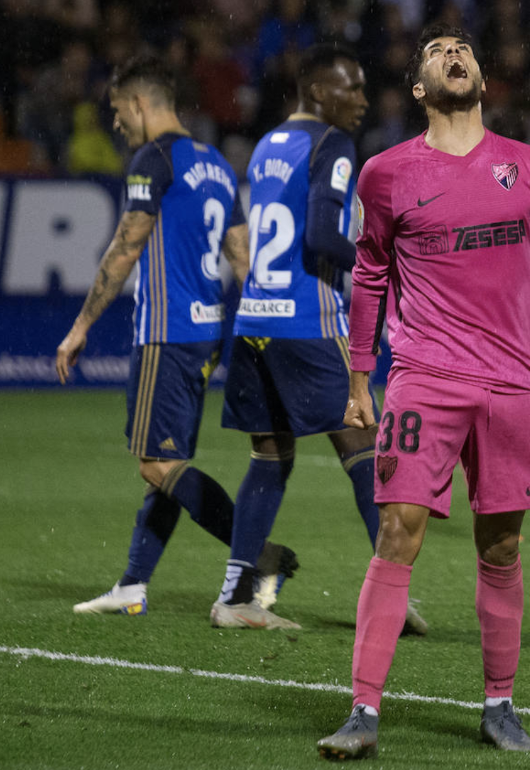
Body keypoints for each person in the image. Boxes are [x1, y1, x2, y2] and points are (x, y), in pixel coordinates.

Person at [316, 24, 530, 759]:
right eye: (436, 52)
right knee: (398, 530)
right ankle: (363, 711)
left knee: (503, 545)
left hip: (512, 385)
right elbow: (369, 278)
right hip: (423, 378)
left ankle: (499, 704)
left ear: (483, 79)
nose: (454, 54)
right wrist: (361, 377)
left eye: (464, 50)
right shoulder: (386, 174)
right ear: (419, 89)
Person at [56, 55, 296, 629]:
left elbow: (125, 246)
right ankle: (133, 584)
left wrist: (81, 325)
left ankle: (260, 558)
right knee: (172, 460)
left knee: (156, 464)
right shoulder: (213, 162)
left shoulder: (153, 158)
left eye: (118, 111)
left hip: (165, 332)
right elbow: (240, 255)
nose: (117, 123)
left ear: (140, 103)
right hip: (206, 329)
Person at [211, 43, 426, 636]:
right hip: (309, 325)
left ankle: (235, 597)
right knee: (369, 457)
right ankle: (390, 596)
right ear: (316, 90)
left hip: (256, 321)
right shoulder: (331, 144)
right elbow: (323, 236)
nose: (361, 100)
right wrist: (382, 256)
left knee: (269, 459)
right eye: (350, 88)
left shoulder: (267, 144)